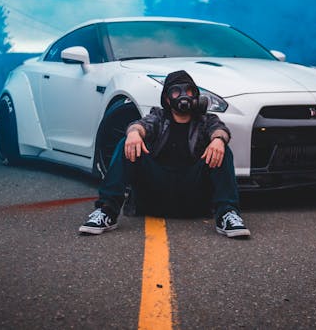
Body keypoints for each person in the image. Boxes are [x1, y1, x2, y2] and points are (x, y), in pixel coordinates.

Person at [79, 70, 250, 238]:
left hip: (193, 195)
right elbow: (142, 124)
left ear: (196, 95)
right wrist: (133, 133)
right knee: (128, 143)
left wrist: (219, 140)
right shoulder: (158, 117)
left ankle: (227, 214)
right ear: (167, 99)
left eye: (188, 90)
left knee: (221, 148)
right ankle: (106, 211)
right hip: (155, 193)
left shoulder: (206, 120)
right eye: (176, 91)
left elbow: (220, 130)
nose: (184, 96)